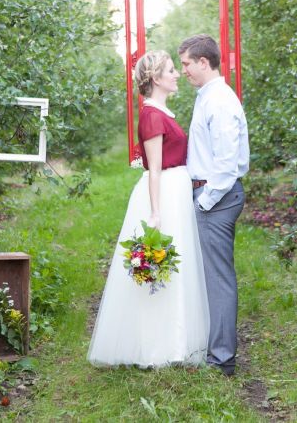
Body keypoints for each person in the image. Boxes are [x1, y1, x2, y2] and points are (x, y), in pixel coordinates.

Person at [87, 50, 209, 368]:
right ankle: (160, 347)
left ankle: (178, 342)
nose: (177, 74)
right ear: (156, 78)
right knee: (163, 269)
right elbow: (154, 168)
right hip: (164, 194)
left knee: (176, 270)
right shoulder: (152, 115)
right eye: (171, 70)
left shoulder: (162, 111)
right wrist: (156, 213)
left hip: (175, 190)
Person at [179, 34, 249, 376]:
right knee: (210, 278)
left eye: (187, 64)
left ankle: (222, 361)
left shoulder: (219, 100)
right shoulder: (207, 96)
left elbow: (227, 162)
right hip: (209, 195)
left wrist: (203, 202)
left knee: (219, 279)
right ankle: (211, 349)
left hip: (216, 198)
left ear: (204, 62)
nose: (183, 71)